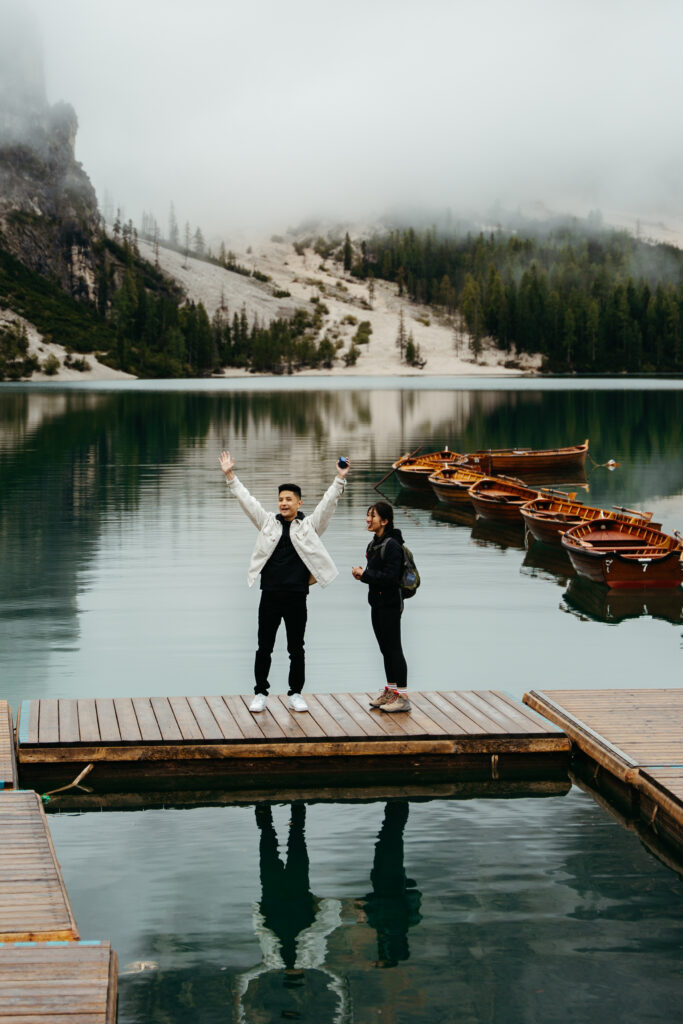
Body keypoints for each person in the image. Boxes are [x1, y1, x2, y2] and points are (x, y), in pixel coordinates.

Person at [219, 450, 349, 713]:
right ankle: (260, 693)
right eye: (280, 499)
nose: (283, 503)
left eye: (289, 499)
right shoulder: (268, 523)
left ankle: (296, 693)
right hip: (269, 595)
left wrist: (340, 479)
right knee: (263, 646)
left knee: (296, 648)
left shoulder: (309, 527)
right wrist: (230, 475)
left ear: (299, 503)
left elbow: (327, 505)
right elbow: (247, 501)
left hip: (296, 595)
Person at [352, 500, 410, 712]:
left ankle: (402, 697)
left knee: (394, 648)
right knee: (385, 649)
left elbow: (391, 578)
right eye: (368, 515)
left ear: (384, 521)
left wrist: (364, 574)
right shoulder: (373, 544)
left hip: (391, 604)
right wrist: (364, 575)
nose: (368, 519)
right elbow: (376, 576)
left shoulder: (392, 545)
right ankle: (391, 692)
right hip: (376, 603)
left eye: (373, 516)